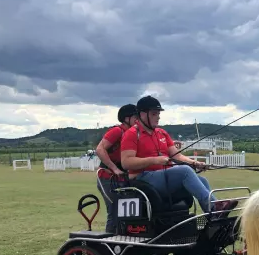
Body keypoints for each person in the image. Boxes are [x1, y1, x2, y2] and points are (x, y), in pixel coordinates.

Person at [120, 95, 238, 216]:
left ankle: (213, 214)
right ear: (142, 114)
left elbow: (177, 156)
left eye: (158, 114)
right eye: (154, 114)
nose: (158, 117)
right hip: (142, 178)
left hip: (162, 176)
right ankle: (214, 206)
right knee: (184, 171)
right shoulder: (132, 134)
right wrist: (154, 160)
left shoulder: (161, 133)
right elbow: (126, 162)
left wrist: (194, 163)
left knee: (202, 180)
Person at [96, 103, 139, 233]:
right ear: (126, 118)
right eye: (135, 117)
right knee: (114, 212)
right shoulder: (117, 131)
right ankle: (109, 241)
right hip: (107, 177)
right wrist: (114, 168)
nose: (138, 120)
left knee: (125, 214)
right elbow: (100, 149)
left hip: (122, 177)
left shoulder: (133, 133)